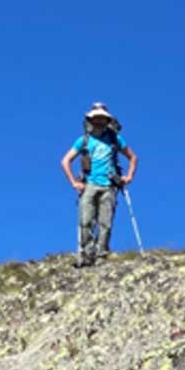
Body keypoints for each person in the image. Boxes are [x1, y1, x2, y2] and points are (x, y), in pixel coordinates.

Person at [60, 103, 138, 268]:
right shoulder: (84, 141)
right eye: (96, 118)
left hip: (109, 185)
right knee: (86, 221)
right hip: (89, 184)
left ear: (106, 120)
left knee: (105, 223)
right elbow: (65, 161)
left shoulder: (114, 139)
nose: (99, 121)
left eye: (102, 119)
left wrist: (129, 176)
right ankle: (87, 255)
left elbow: (133, 157)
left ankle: (101, 254)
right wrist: (74, 182)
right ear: (91, 120)